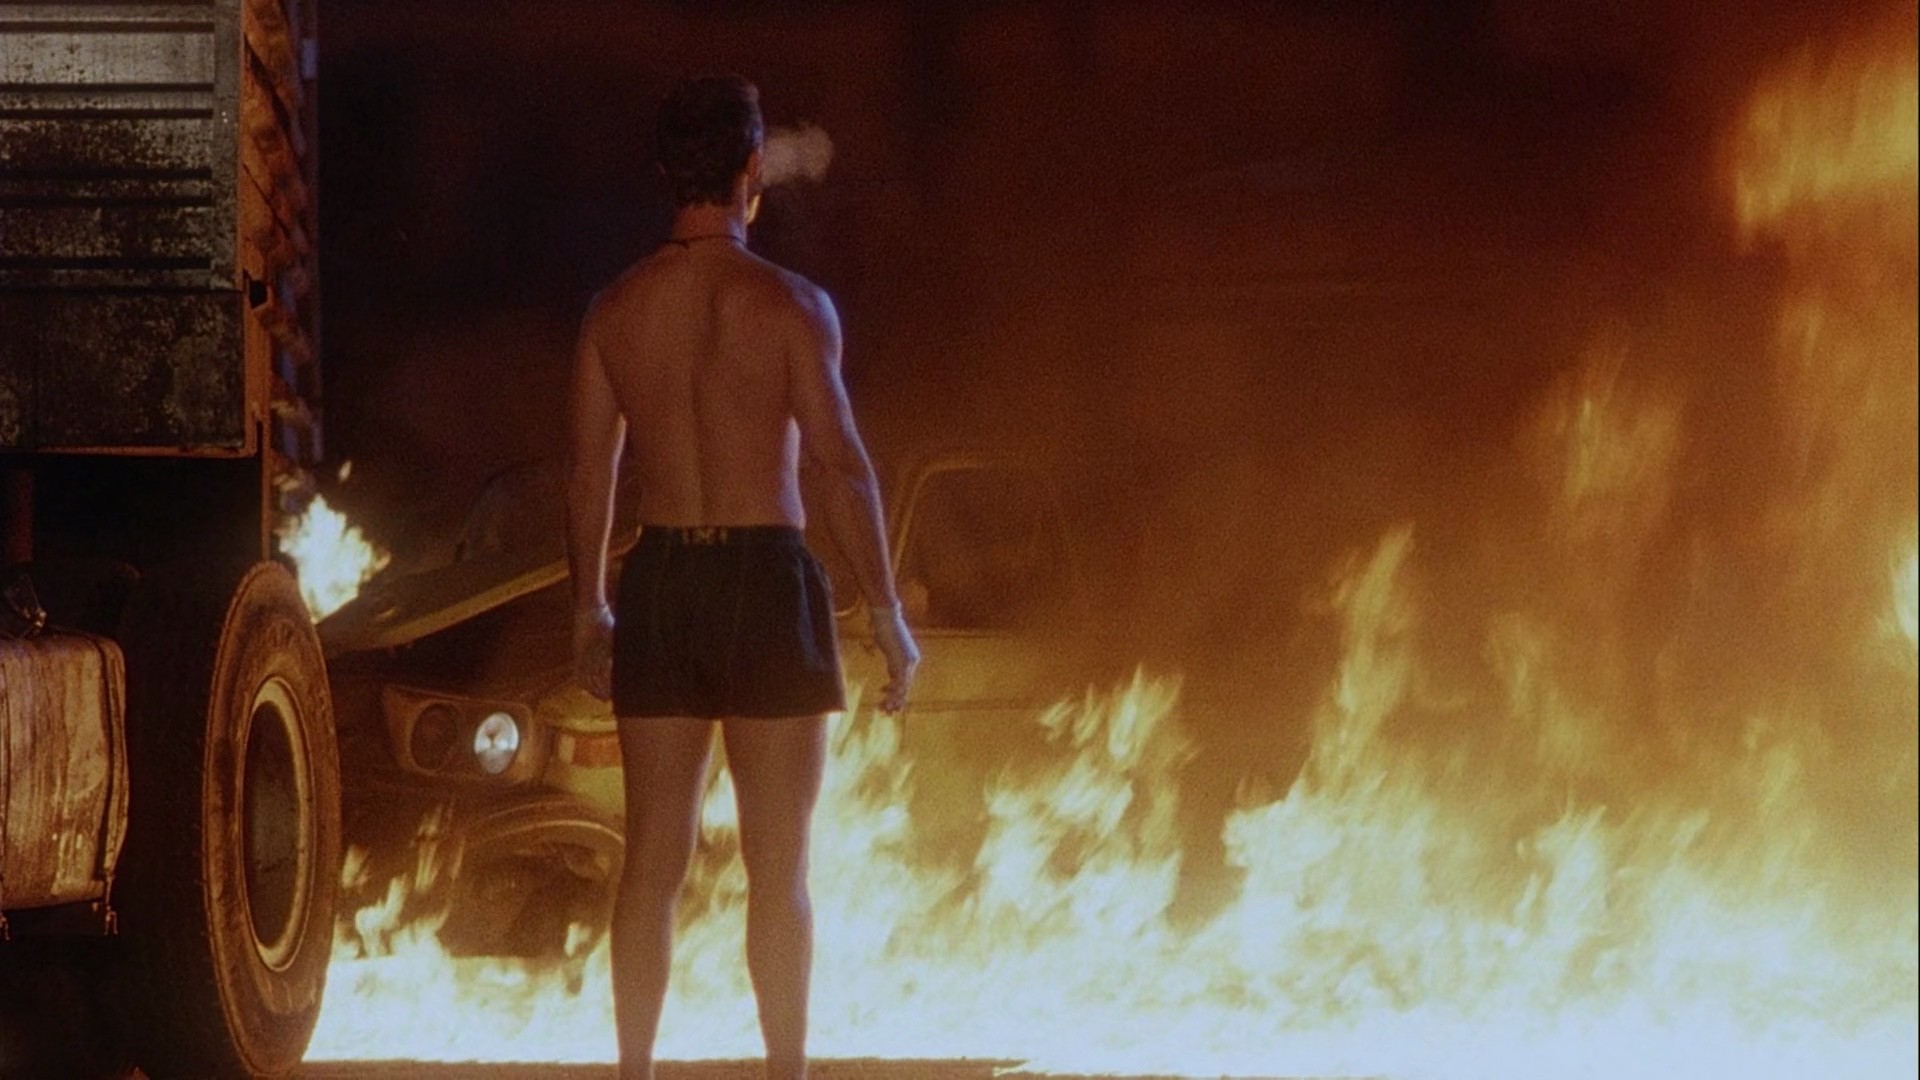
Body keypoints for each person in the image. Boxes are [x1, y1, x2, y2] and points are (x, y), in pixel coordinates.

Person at [565, 75, 919, 1080]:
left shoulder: (614, 312)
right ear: (751, 168)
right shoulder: (792, 306)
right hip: (766, 580)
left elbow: (590, 477)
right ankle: (785, 1075)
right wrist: (887, 613)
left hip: (663, 578)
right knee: (779, 870)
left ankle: (634, 1074)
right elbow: (842, 466)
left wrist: (589, 610)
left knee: (651, 864)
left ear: (663, 173)